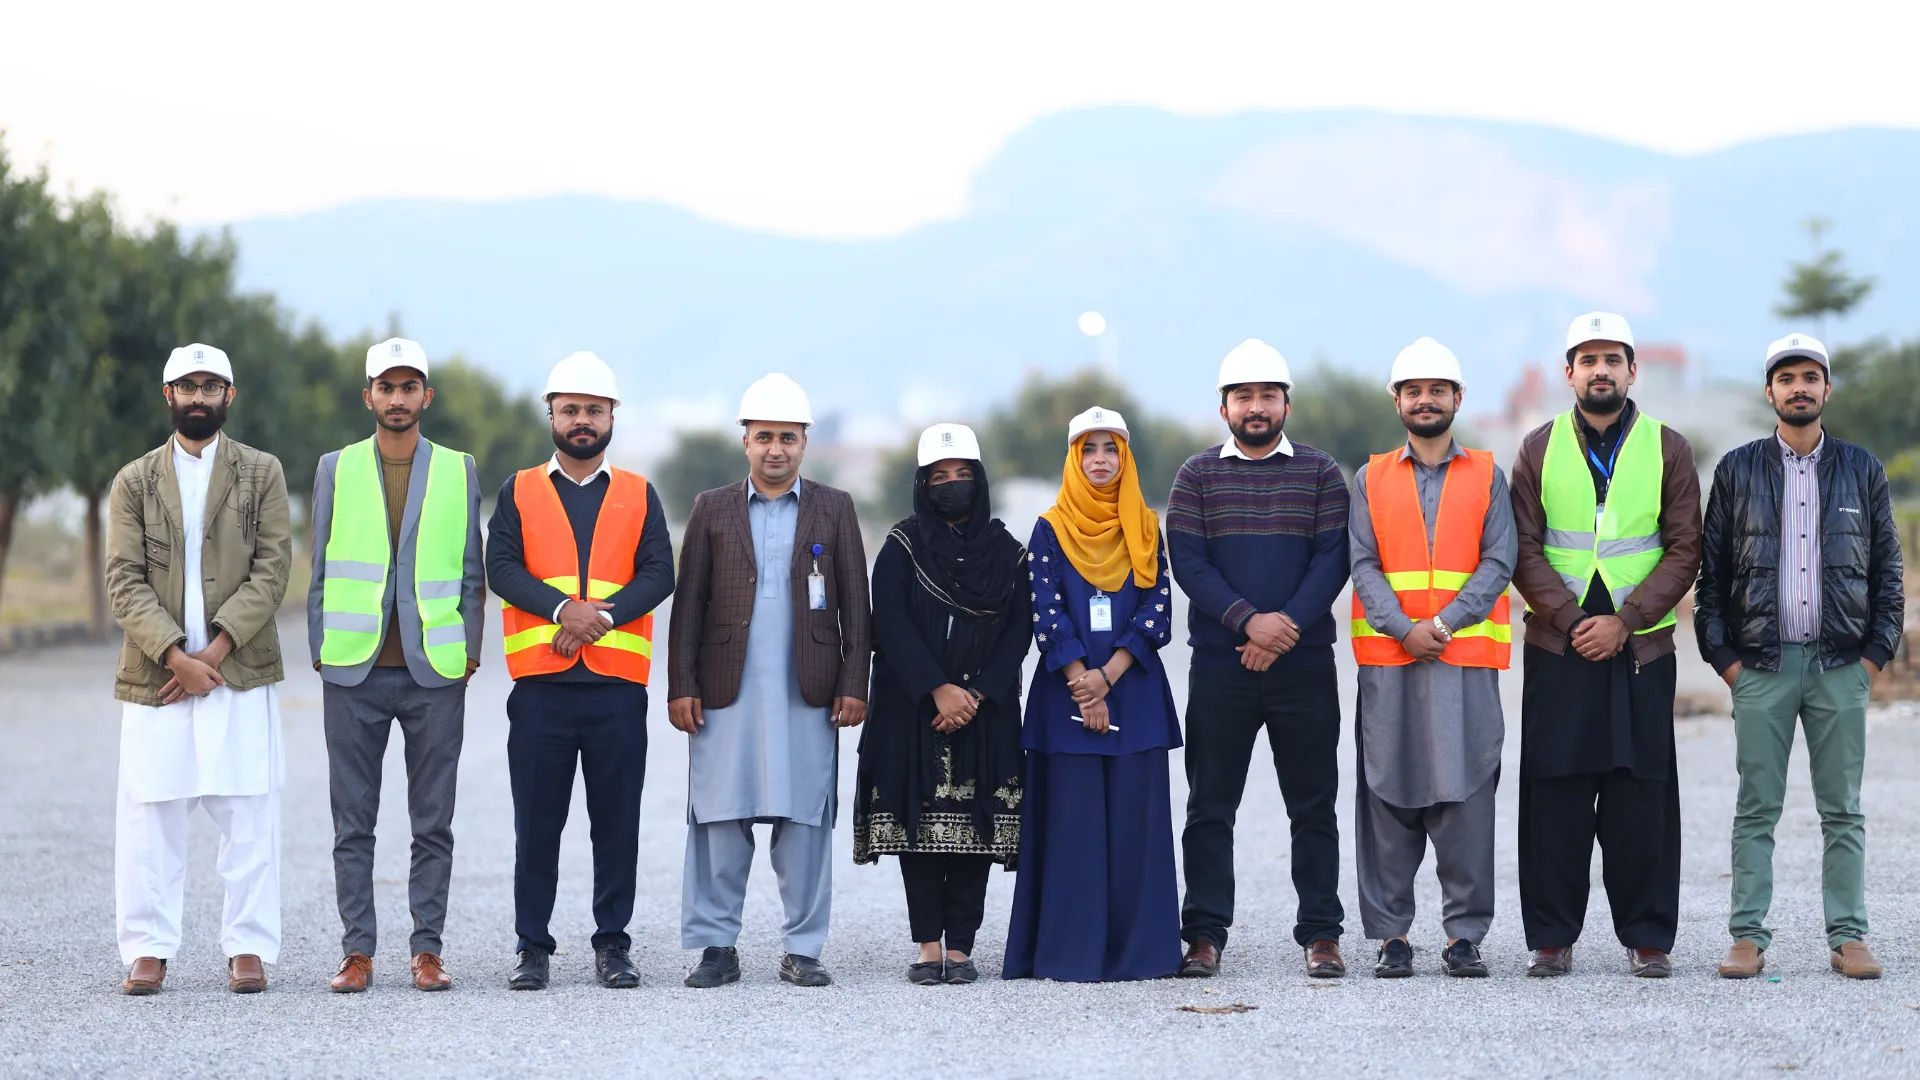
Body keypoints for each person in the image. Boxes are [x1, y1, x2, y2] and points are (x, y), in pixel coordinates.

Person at [1696, 333, 1903, 981]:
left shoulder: (1862, 469)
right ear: (1770, 392)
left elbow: (1889, 573)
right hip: (1761, 666)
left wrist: (1872, 659)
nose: (1799, 388)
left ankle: (1848, 936)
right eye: (1786, 378)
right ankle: (1747, 937)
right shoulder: (1737, 470)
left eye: (1810, 377)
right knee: (1757, 807)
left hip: (1841, 666)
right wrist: (1727, 661)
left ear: (1826, 389)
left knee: (1842, 810)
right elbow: (1711, 577)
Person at [1508, 311, 1701, 978]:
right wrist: (1570, 619)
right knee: (1554, 793)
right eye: (1587, 360)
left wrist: (1626, 619)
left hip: (1639, 646)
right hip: (1559, 645)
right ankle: (1551, 938)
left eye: (1611, 359)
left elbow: (1685, 548)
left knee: (1641, 793)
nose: (1600, 371)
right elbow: (1522, 548)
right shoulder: (1537, 447)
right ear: (1568, 373)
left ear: (1632, 370)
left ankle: (1647, 938)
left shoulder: (1667, 447)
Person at [668, 373, 872, 989]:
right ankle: (716, 948)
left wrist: (854, 682)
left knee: (805, 818)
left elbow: (856, 606)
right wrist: (681, 683)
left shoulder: (835, 507)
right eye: (764, 437)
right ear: (746, 441)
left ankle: (803, 949)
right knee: (718, 818)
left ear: (805, 442)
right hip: (724, 690)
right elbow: (689, 604)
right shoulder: (712, 507)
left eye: (787, 437)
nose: (775, 449)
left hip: (808, 690)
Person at [484, 351, 674, 990]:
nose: (582, 420)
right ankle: (532, 946)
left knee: (616, 825)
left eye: (594, 409)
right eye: (570, 409)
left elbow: (660, 572)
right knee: (536, 826)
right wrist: (565, 609)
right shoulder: (518, 490)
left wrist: (602, 617)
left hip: (616, 690)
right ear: (552, 415)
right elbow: (502, 567)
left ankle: (612, 943)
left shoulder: (640, 493)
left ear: (612, 416)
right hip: (541, 689)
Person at [106, 344, 291, 995]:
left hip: (236, 670)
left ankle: (248, 946)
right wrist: (175, 656)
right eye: (188, 387)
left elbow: (273, 569)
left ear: (229, 396)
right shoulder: (134, 481)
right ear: (169, 395)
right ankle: (148, 949)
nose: (199, 398)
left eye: (211, 387)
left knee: (249, 810)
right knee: (150, 813)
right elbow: (123, 579)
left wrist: (212, 652)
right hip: (157, 676)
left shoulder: (261, 472)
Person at [1167, 339, 1352, 979]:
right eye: (1243, 397)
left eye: (1267, 396)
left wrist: (1285, 627)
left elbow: (1332, 558)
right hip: (1223, 667)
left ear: (1286, 405)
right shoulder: (1196, 475)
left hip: (1305, 666)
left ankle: (1321, 934)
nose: (1256, 407)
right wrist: (1249, 622)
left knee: (1314, 805)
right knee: (1209, 807)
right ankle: (1204, 935)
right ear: (1223, 408)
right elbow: (1189, 561)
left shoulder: (1321, 472)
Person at [310, 338, 486, 993]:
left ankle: (427, 951)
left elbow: (471, 570)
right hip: (351, 669)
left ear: (426, 396)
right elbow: (319, 564)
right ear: (369, 397)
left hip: (434, 671)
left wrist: (469, 649)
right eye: (386, 387)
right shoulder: (336, 468)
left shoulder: (458, 469)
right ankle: (357, 953)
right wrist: (320, 648)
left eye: (409, 387)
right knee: (352, 824)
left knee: (432, 822)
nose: (397, 398)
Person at [1348, 338, 1515, 979]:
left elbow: (1499, 561)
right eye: (1413, 390)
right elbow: (1362, 563)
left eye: (1437, 390)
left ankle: (1463, 935)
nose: (1425, 400)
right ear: (1397, 400)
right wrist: (1402, 628)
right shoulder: (1369, 478)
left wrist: (1441, 624)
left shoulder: (1488, 475)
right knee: (1386, 793)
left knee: (1468, 794)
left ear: (1457, 398)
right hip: (1391, 665)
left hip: (1462, 661)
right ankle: (1391, 936)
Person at [1003, 406, 1183, 982]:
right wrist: (1085, 683)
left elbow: (1158, 609)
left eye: (1110, 449)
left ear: (1125, 457)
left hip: (1133, 689)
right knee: (1073, 828)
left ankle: (1139, 954)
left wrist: (1107, 677)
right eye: (1089, 449)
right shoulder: (1049, 528)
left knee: (1135, 829)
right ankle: (1071, 952)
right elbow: (1045, 610)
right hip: (1066, 694)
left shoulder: (1146, 526)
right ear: (1073, 458)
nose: (1100, 460)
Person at [853, 423, 1032, 985]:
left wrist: (976, 694)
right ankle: (928, 946)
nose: (951, 485)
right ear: (922, 485)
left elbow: (1020, 629)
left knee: (977, 828)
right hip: (915, 709)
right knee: (921, 830)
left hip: (986, 711)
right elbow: (890, 623)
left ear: (980, 481)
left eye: (961, 475)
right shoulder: (901, 546)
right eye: (939, 477)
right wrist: (938, 688)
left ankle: (961, 949)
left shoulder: (1008, 552)